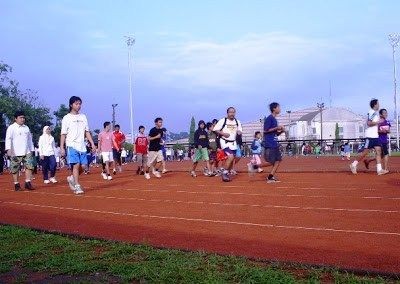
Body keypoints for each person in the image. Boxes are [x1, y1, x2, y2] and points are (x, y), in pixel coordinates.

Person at [60, 96, 96, 194]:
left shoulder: (83, 117)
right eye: (76, 104)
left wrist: (92, 144)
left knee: (84, 166)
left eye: (80, 104)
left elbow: (87, 132)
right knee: (76, 165)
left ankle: (72, 178)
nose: (79, 106)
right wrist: (62, 147)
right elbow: (63, 134)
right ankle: (77, 185)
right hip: (71, 145)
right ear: (71, 105)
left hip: (82, 145)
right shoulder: (66, 118)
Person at [248, 102, 284, 183]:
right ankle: (254, 166)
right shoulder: (269, 118)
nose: (280, 109)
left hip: (275, 143)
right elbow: (265, 130)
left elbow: (275, 133)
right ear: (274, 109)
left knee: (278, 160)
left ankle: (270, 177)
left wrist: (281, 131)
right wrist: (277, 127)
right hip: (270, 143)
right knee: (271, 162)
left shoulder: (274, 119)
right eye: (278, 107)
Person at [350, 99, 385, 175]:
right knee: (364, 153)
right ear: (375, 105)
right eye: (378, 104)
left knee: (379, 151)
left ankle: (379, 170)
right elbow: (369, 123)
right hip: (370, 136)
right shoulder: (371, 112)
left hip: (375, 136)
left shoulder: (375, 113)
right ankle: (353, 164)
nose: (379, 105)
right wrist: (378, 122)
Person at [5, 110, 35, 191]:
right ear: (15, 118)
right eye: (20, 118)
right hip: (15, 152)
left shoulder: (26, 128)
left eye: (23, 118)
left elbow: (29, 140)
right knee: (15, 169)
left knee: (29, 166)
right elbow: (8, 139)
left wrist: (32, 149)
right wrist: (8, 149)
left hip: (26, 151)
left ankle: (27, 182)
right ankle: (16, 184)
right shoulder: (11, 128)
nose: (22, 119)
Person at [213, 107, 243, 182]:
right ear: (227, 113)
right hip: (224, 142)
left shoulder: (237, 121)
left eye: (233, 112)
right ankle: (224, 173)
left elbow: (240, 130)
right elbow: (215, 129)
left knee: (232, 158)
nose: (232, 114)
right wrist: (223, 133)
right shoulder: (223, 120)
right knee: (230, 156)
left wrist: (239, 132)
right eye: (230, 112)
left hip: (233, 142)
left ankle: (225, 171)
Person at [364, 109, 391, 173]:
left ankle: (368, 160)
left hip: (384, 140)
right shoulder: (378, 122)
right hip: (379, 140)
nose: (386, 114)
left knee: (380, 155)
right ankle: (385, 169)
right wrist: (381, 131)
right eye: (384, 113)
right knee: (386, 154)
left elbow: (389, 131)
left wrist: (387, 131)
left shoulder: (387, 122)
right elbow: (374, 131)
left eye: (386, 113)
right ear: (380, 114)